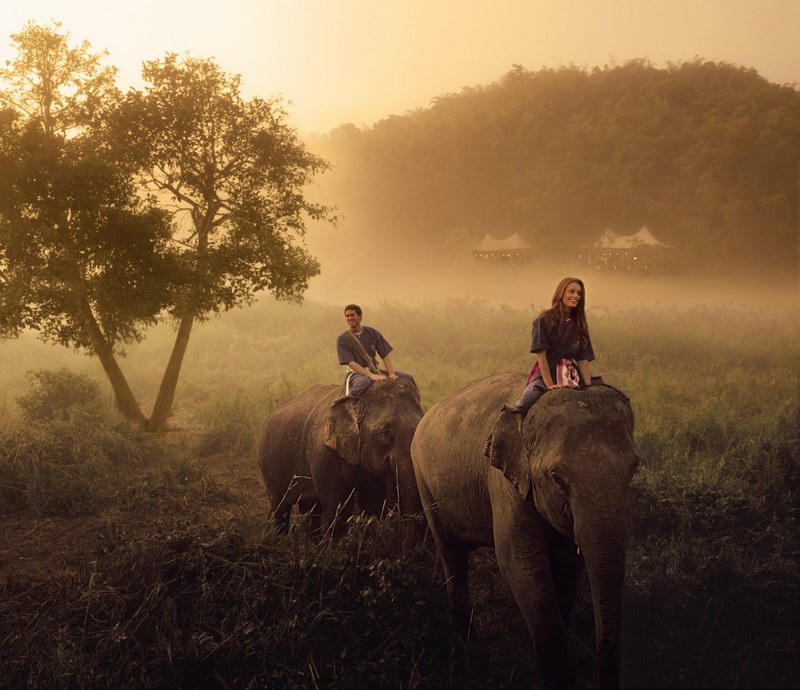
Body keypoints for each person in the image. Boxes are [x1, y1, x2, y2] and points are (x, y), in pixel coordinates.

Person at [505, 277, 595, 414]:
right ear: (561, 293)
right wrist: (549, 385)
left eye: (579, 293)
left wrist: (588, 387)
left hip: (572, 375)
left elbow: (583, 358)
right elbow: (542, 356)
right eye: (571, 291)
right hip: (548, 372)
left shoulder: (580, 324)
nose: (576, 296)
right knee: (526, 401)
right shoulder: (544, 320)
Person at [336, 304, 416, 397]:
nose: (350, 318)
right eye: (347, 316)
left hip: (374, 370)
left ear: (360, 316)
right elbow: (350, 363)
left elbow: (385, 355)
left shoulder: (372, 333)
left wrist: (391, 374)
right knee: (364, 382)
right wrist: (370, 375)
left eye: (352, 315)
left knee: (408, 377)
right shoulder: (343, 338)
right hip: (356, 374)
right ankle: (348, 402)